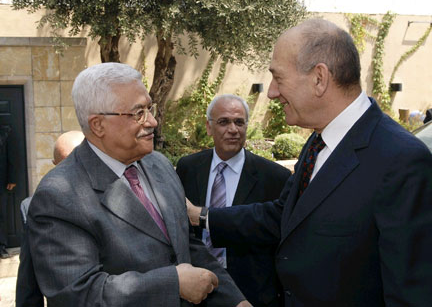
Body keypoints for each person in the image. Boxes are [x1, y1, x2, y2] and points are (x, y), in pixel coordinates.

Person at [187, 19, 432, 306]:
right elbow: (285, 217)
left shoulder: (401, 160)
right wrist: (200, 216)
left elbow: (410, 294)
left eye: (278, 78)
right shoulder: (318, 142)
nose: (271, 92)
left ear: (319, 78)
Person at [27, 62, 250, 307]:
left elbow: (185, 245)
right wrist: (172, 283)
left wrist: (236, 301)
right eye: (138, 113)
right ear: (98, 125)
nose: (153, 122)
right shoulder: (58, 196)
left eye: (150, 108)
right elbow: (79, 294)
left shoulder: (159, 166)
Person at [176, 94, 291, 307]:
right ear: (209, 127)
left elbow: (275, 233)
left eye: (239, 122)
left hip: (250, 292)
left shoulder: (275, 177)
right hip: (195, 288)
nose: (233, 129)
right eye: (223, 122)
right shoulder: (188, 168)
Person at [16, 130, 85, 307]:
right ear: (55, 165)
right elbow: (28, 283)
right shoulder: (34, 208)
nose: (74, 170)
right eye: (66, 164)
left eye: (80, 162)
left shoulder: (120, 196)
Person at [0, 124, 16, 259]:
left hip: (1, 180)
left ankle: (1, 245)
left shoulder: (5, 131)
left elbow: (11, 156)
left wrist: (11, 178)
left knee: (1, 215)